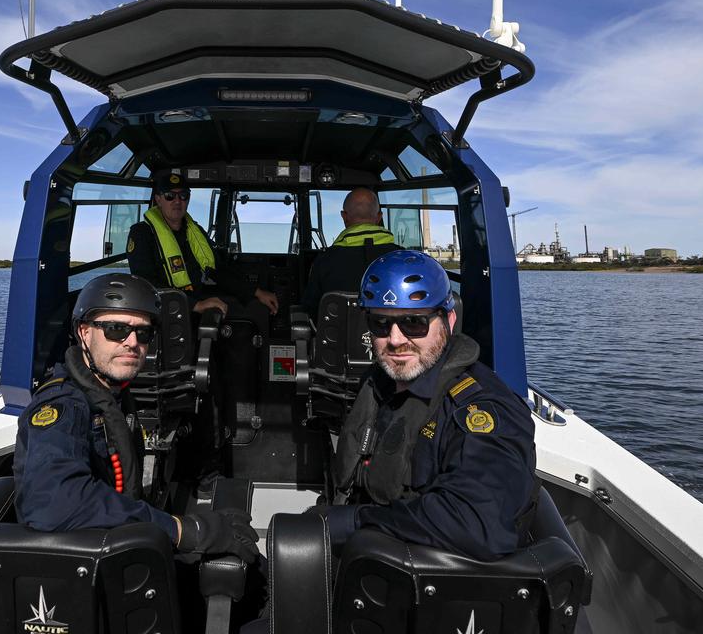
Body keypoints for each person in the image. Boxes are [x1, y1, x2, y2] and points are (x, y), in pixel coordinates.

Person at [13, 273, 258, 563]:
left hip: (117, 548)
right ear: (83, 332)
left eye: (143, 333)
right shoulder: (65, 407)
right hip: (83, 566)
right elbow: (54, 503)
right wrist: (183, 530)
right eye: (115, 329)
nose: (132, 342)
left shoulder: (112, 392)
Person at [318, 251, 538, 560]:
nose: (395, 340)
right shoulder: (382, 380)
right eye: (380, 323)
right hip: (359, 554)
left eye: (414, 323)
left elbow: (476, 520)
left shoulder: (481, 407)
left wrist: (354, 522)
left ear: (448, 320)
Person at [127, 170, 278, 324]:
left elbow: (217, 270)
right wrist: (196, 305)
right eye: (170, 196)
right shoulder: (142, 233)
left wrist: (257, 292)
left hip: (194, 302)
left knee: (254, 309)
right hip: (163, 311)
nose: (177, 201)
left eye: (183, 195)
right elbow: (144, 282)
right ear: (159, 200)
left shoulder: (195, 232)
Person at [300, 187, 400, 316]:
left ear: (344, 216)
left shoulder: (325, 260)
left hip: (336, 335)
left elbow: (311, 308)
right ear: (379, 217)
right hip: (388, 334)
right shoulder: (402, 258)